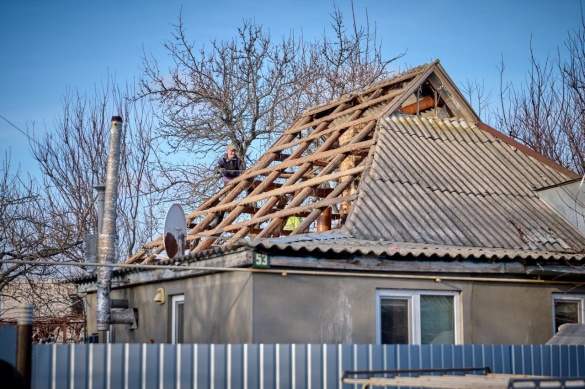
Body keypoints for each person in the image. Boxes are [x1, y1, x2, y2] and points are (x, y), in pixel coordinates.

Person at [211, 144, 245, 227]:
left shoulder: (238, 160)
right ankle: (218, 220)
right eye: (231, 151)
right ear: (227, 151)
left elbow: (243, 171)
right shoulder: (222, 160)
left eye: (234, 151)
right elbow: (215, 169)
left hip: (237, 182)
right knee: (224, 201)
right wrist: (220, 169)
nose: (233, 153)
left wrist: (241, 176)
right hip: (227, 183)